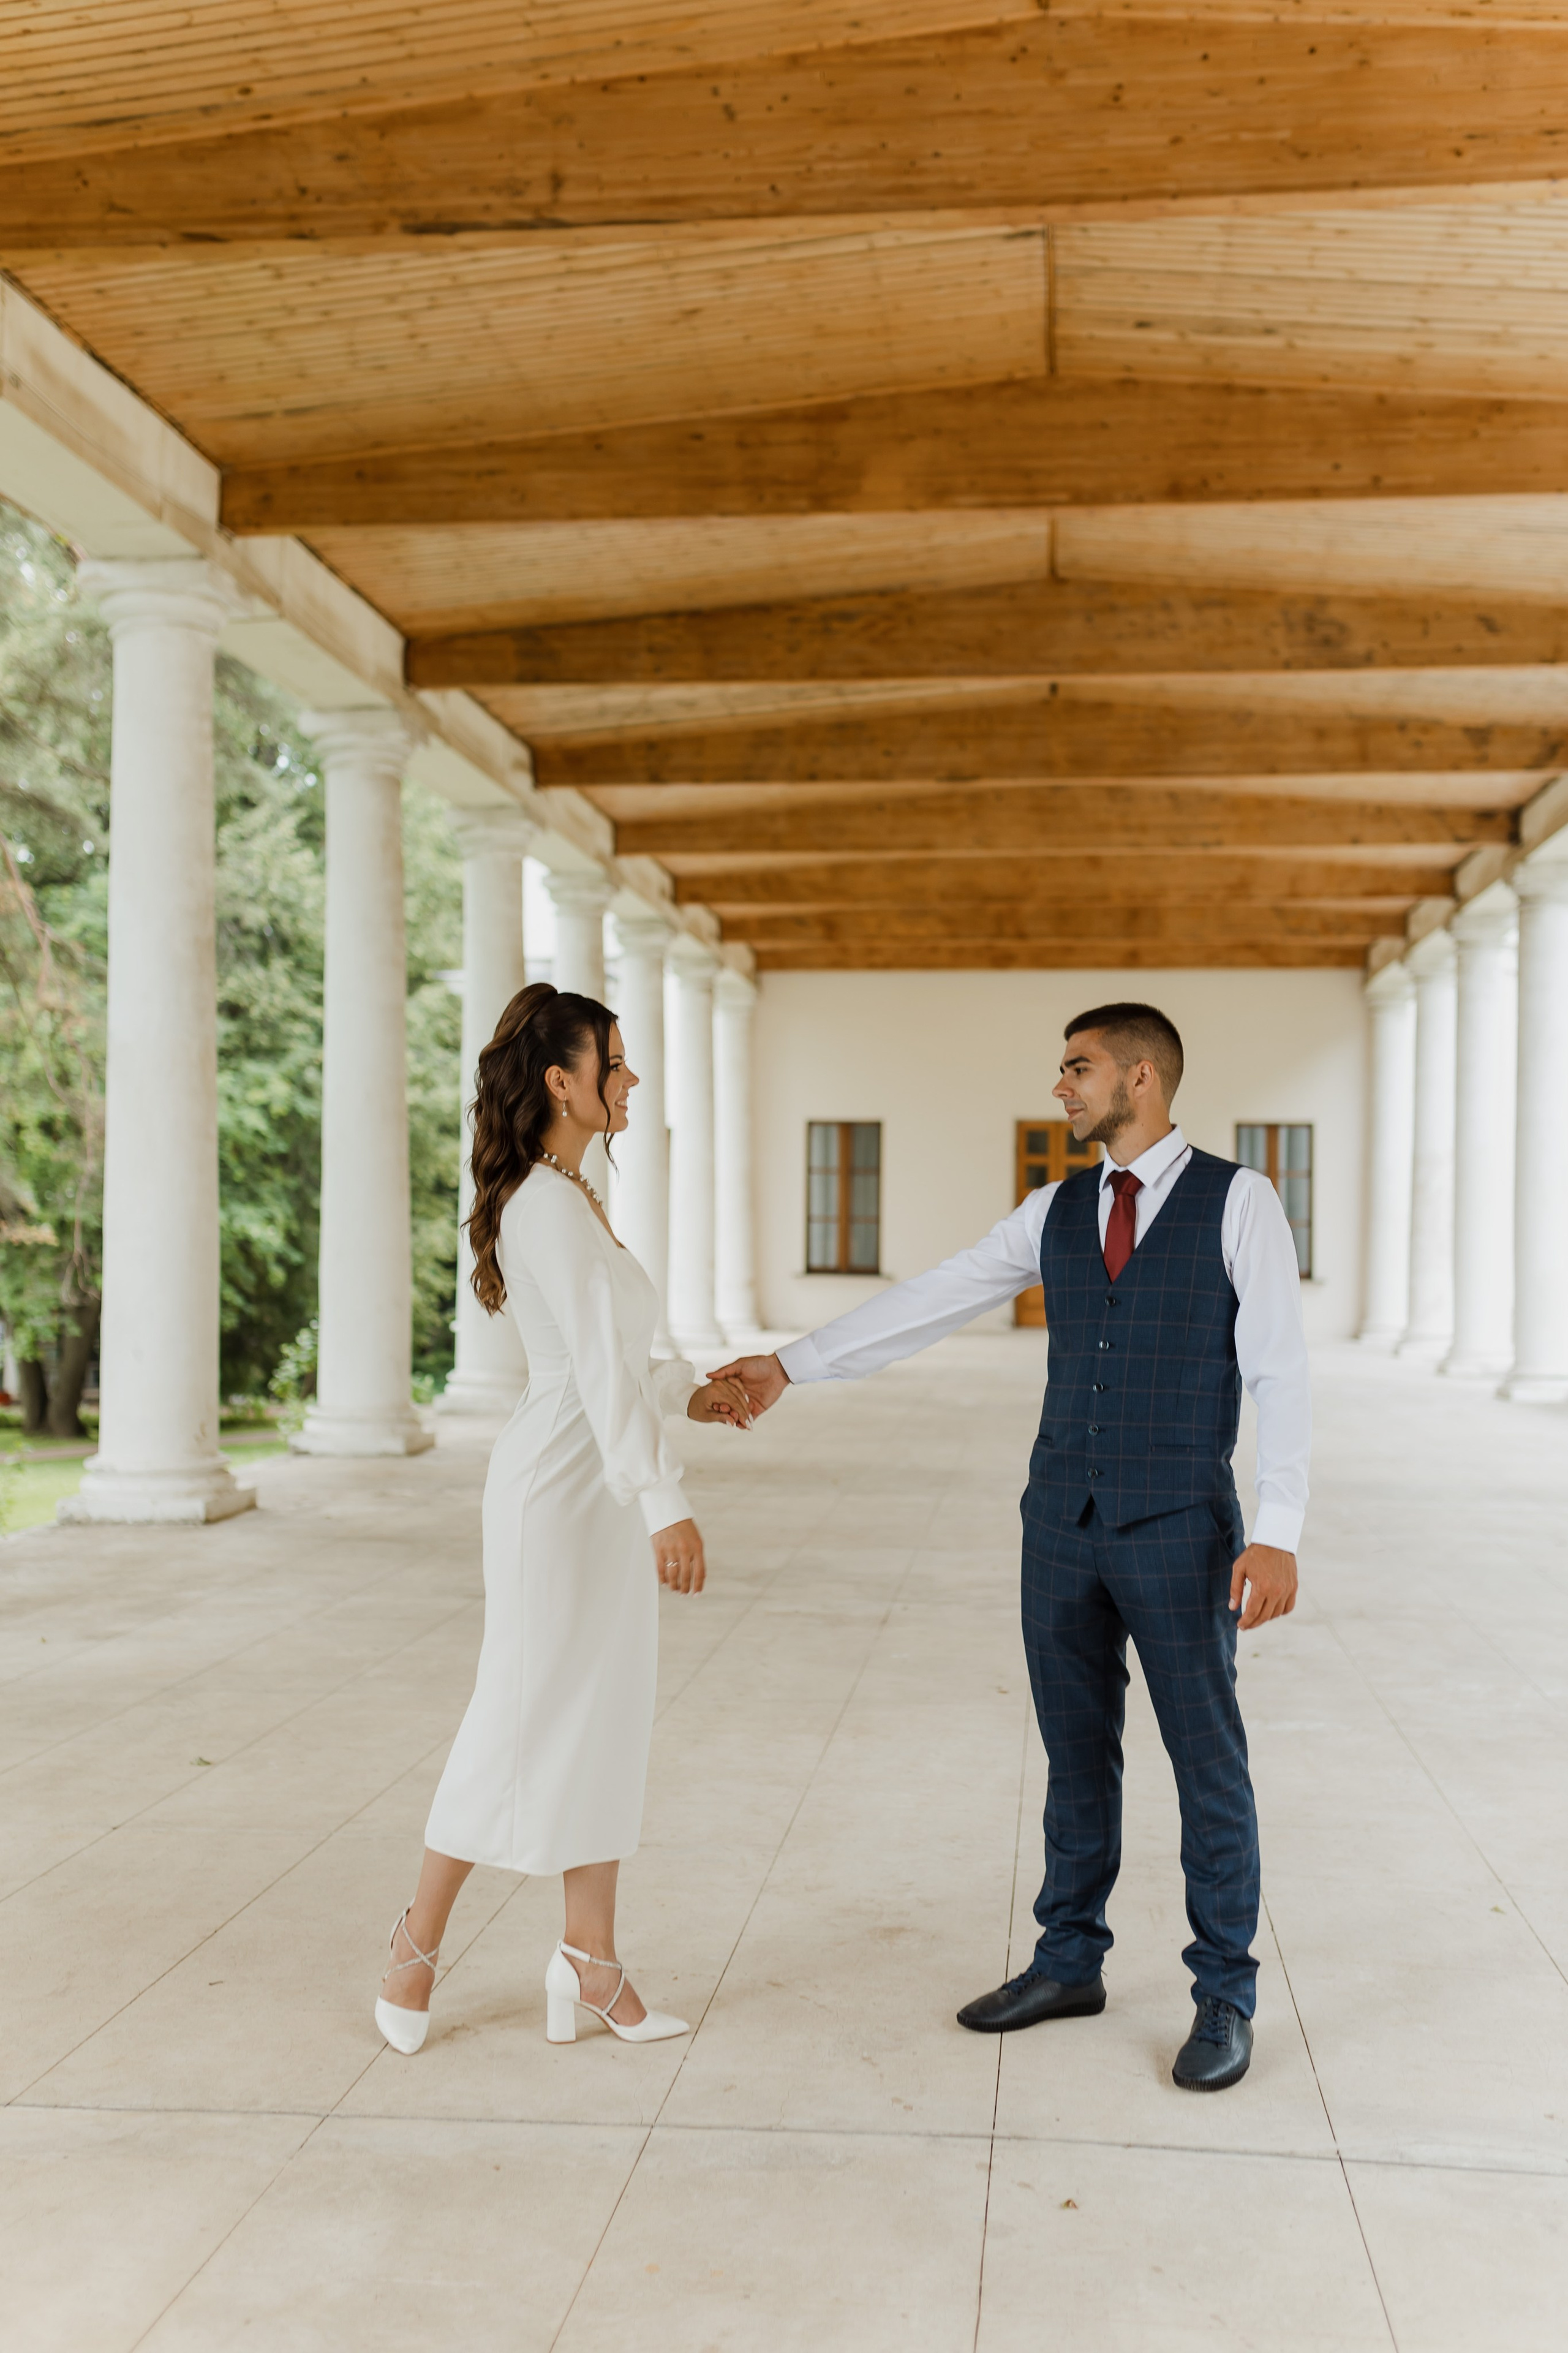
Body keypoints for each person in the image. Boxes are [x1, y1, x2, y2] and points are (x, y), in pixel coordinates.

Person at [713, 1002, 1308, 2092]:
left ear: (1141, 1076)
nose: (1062, 1087)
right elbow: (940, 1296)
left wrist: (1277, 1532)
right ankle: (1068, 1961)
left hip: (1181, 1530)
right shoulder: (1057, 1208)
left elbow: (1281, 1371)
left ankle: (1225, 1993)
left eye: (1078, 1069)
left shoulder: (1241, 1201)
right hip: (1061, 1528)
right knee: (1076, 1756)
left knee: (1206, 1761)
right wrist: (791, 1364)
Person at [375, 984, 752, 2056]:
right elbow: (586, 1371)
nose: (629, 1081)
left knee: (606, 1715)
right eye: (615, 1065)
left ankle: (592, 1963)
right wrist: (664, 1503)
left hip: (601, 1476)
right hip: (559, 1491)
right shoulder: (545, 1202)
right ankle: (413, 1943)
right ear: (562, 1080)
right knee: (519, 1710)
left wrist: (695, 1391)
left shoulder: (574, 1193)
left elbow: (621, 1358)